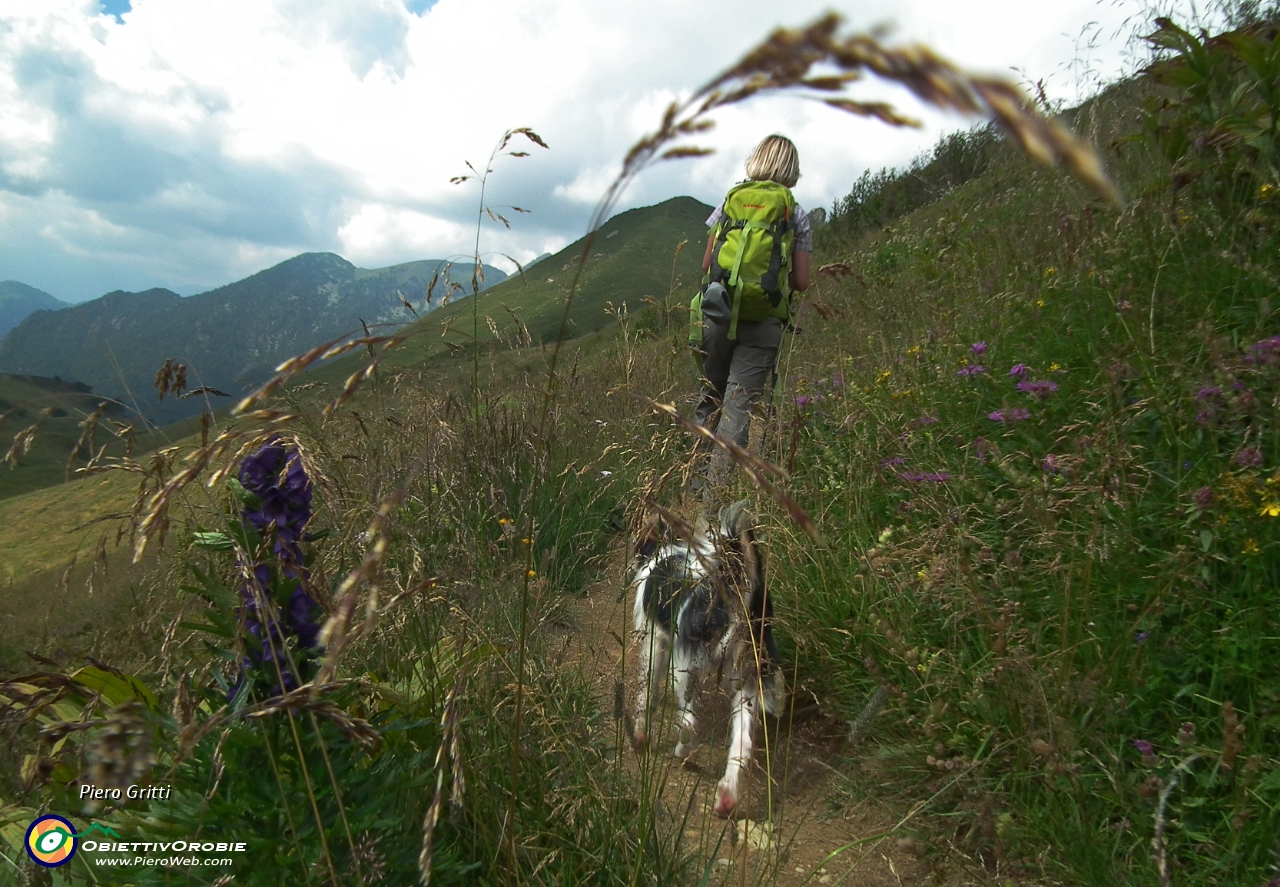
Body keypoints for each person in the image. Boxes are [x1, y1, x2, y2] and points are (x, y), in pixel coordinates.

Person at [691, 134, 812, 492]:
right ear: (792, 169)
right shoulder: (795, 212)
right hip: (763, 323)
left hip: (717, 314)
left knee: (711, 394)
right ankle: (714, 504)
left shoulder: (731, 200)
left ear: (755, 160)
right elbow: (802, 282)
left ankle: (693, 486)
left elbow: (706, 263)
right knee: (737, 408)